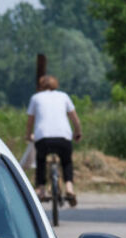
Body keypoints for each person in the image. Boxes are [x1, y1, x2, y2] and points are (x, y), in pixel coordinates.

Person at [25, 75, 83, 206]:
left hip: (43, 137)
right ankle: (69, 188)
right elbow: (75, 119)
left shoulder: (35, 98)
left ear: (41, 86)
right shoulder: (64, 96)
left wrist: (28, 135)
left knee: (40, 160)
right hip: (63, 137)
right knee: (66, 161)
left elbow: (30, 122)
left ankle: (41, 189)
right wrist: (78, 132)